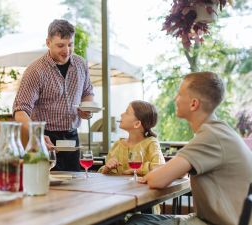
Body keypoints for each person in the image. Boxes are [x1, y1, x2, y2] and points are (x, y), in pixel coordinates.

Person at [126, 72, 252, 225]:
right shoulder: (218, 131)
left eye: (179, 94)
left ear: (194, 104)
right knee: (138, 219)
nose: (175, 99)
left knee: (135, 223)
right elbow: (175, 172)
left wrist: (156, 175)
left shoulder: (211, 136)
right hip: (215, 219)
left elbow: (157, 180)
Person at [13, 19, 94, 171]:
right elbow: (20, 111)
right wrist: (36, 135)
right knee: (46, 188)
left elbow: (88, 92)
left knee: (75, 187)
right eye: (60, 45)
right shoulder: (35, 70)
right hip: (45, 139)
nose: (67, 50)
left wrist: (87, 108)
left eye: (70, 44)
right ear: (48, 42)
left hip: (72, 138)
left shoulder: (81, 64)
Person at [99, 100, 165, 176]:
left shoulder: (151, 143)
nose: (121, 114)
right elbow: (102, 173)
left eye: (127, 112)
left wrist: (137, 170)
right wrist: (106, 169)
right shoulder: (117, 145)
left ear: (137, 124)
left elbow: (160, 167)